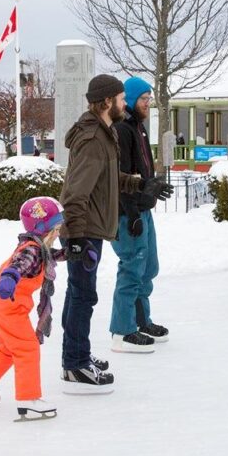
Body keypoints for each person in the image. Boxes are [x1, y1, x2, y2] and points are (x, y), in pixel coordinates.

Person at [59, 74, 173, 392]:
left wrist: (141, 184)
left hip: (90, 227)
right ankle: (75, 365)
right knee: (82, 296)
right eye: (122, 99)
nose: (125, 103)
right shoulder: (94, 138)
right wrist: (77, 237)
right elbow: (74, 194)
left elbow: (109, 177)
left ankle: (77, 356)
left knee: (79, 295)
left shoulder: (102, 133)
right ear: (107, 101)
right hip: (85, 229)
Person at [0, 197, 66, 421]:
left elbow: (49, 256)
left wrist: (73, 253)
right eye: (56, 229)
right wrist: (9, 278)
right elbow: (19, 264)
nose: (59, 233)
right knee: (27, 348)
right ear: (43, 228)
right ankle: (28, 401)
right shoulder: (32, 250)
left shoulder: (38, 247)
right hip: (8, 305)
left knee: (9, 348)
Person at [110, 77, 169, 353]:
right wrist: (131, 211)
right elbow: (119, 177)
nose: (148, 103)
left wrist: (153, 186)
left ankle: (142, 320)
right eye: (144, 99)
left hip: (142, 210)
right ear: (132, 100)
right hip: (127, 213)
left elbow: (141, 172)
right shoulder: (122, 129)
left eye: (149, 99)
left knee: (148, 268)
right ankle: (122, 331)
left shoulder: (138, 128)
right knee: (133, 267)